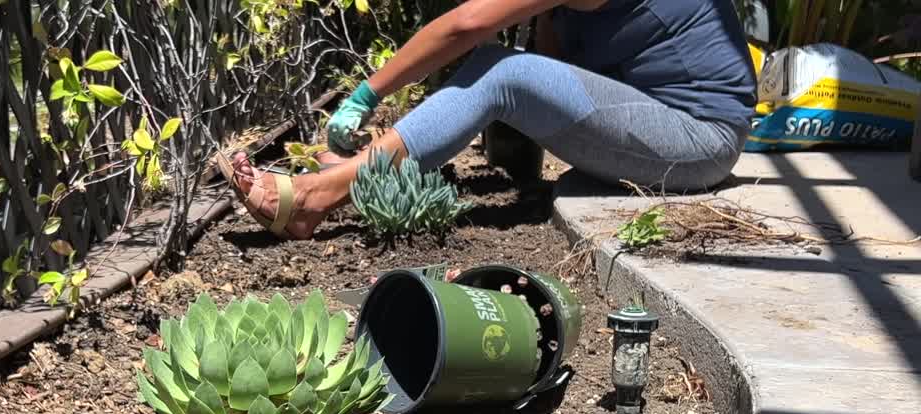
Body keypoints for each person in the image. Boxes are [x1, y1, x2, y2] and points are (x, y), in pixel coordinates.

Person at [217, 0, 757, 240]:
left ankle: (318, 198)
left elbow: (467, 25)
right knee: (505, 70)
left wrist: (367, 91)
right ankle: (356, 173)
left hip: (698, 138)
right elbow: (562, 76)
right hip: (658, 120)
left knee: (503, 72)